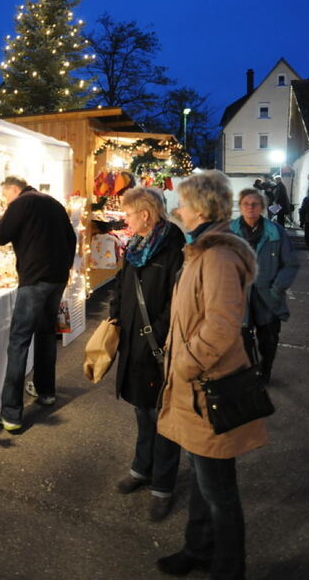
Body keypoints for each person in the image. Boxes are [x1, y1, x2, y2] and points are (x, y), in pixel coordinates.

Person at [156, 170, 268, 580]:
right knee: (205, 482)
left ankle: (228, 567)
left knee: (219, 490)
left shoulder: (217, 256)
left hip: (208, 387)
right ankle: (198, 549)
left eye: (182, 202)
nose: (177, 209)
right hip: (197, 389)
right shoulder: (201, 251)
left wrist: (184, 364)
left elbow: (221, 326)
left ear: (200, 207)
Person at [109, 187, 184, 522]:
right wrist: (114, 313)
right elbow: (122, 282)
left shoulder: (173, 246)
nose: (124, 217)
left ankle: (163, 487)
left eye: (128, 212)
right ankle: (142, 468)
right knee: (142, 410)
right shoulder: (136, 245)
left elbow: (177, 299)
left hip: (157, 344)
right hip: (133, 341)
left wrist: (157, 330)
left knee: (163, 416)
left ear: (146, 214)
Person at [0, 176, 77, 432]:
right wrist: (65, 268)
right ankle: (46, 391)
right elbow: (72, 239)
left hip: (34, 279)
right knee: (46, 334)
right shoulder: (54, 203)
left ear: (13, 190)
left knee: (19, 341)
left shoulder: (21, 203)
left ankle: (11, 414)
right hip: (56, 279)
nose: (6, 202)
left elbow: (2, 235)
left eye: (5, 197)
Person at [230, 188, 299, 383]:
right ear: (240, 206)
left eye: (255, 204)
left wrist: (277, 289)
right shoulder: (229, 231)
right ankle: (249, 373)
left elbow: (291, 264)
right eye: (246, 204)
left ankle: (265, 368)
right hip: (239, 297)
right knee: (240, 340)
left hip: (268, 297)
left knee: (268, 340)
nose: (250, 207)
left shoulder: (275, 232)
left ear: (262, 207)